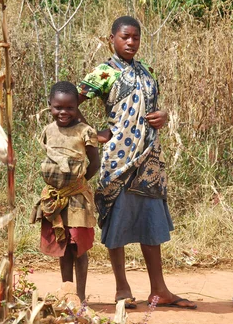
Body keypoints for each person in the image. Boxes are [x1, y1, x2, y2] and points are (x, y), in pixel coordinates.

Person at [76, 16, 197, 309]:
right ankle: (122, 289)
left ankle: (160, 290)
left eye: (136, 38)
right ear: (112, 39)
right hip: (119, 159)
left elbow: (152, 109)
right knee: (116, 222)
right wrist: (92, 134)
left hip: (149, 158)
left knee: (151, 221)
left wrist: (164, 116)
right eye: (125, 37)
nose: (131, 43)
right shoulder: (104, 72)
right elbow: (69, 103)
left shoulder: (145, 71)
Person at [31, 81, 101, 302]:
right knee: (63, 246)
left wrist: (78, 185)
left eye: (70, 108)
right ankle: (67, 293)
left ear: (77, 108)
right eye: (58, 107)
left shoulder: (85, 132)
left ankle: (80, 296)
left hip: (78, 197)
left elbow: (95, 163)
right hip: (55, 198)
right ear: (50, 105)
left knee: (77, 246)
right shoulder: (48, 131)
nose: (63, 112)